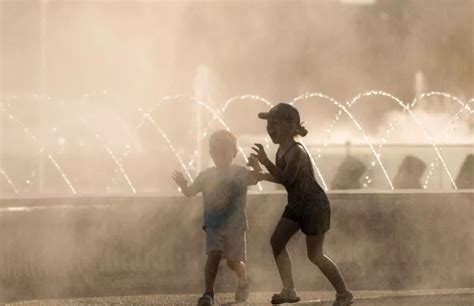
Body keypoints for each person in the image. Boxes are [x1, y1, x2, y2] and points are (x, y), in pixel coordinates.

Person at [250, 103, 353, 306]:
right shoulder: (280, 151)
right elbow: (282, 178)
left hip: (314, 205)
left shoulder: (297, 151)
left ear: (290, 125)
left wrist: (265, 163)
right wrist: (261, 174)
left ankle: (344, 293)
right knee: (276, 241)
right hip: (297, 204)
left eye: (275, 123)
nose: (270, 127)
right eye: (268, 124)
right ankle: (289, 290)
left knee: (315, 255)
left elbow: (287, 179)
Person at [172, 129, 261, 306]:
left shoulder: (240, 173)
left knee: (233, 262)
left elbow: (256, 179)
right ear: (211, 153)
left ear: (234, 153)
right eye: (215, 151)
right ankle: (208, 293)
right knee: (213, 256)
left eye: (224, 151)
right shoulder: (206, 176)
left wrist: (257, 166)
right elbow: (190, 192)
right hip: (213, 225)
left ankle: (244, 279)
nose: (219, 155)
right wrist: (183, 184)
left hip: (236, 226)